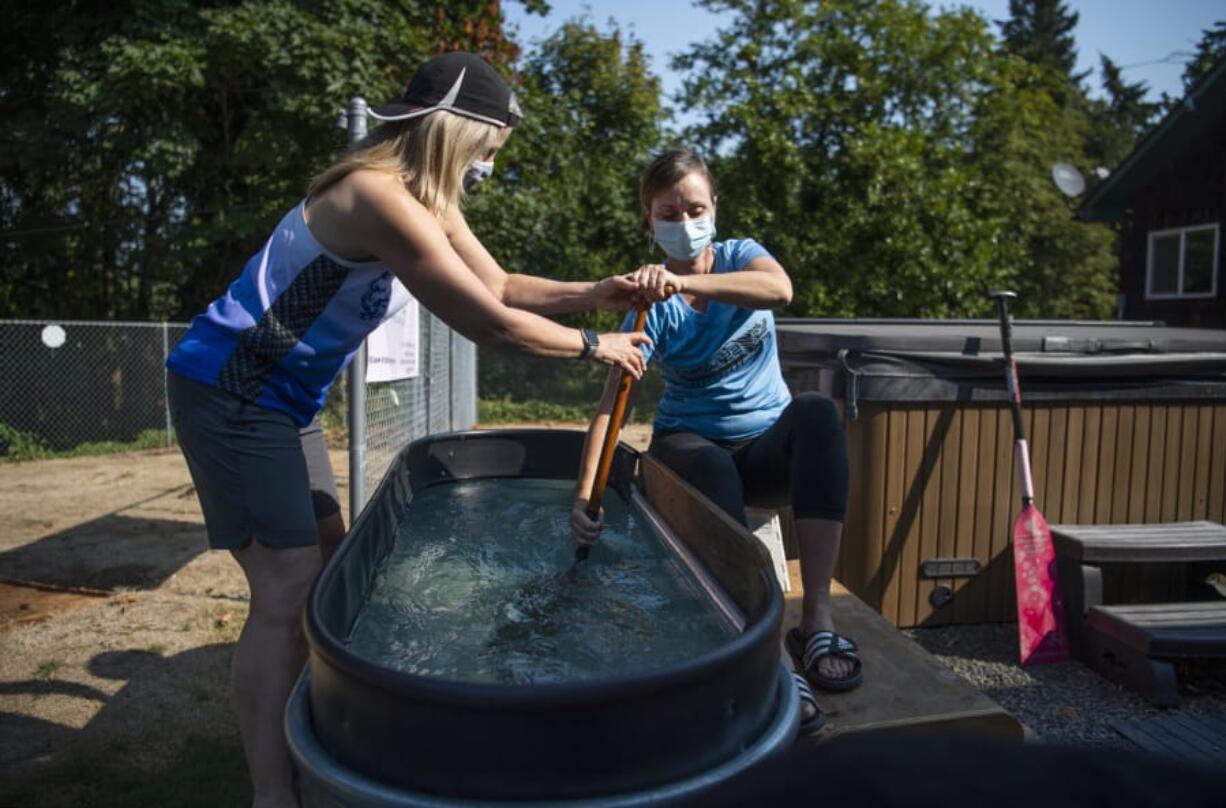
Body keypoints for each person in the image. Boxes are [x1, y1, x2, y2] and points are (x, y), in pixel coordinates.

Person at [166, 52, 650, 808]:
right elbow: (489, 323)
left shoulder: (425, 198)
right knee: (286, 588)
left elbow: (500, 283)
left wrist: (597, 293)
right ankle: (272, 791)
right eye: (491, 149)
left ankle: (314, 740)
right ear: (462, 130)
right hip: (230, 393)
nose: (491, 165)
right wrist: (598, 344)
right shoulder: (374, 196)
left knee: (329, 572)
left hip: (282, 401)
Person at [570, 148, 859, 735]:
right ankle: (772, 656)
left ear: (715, 209)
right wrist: (583, 497)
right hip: (693, 448)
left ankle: (818, 618)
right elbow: (610, 406)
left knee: (817, 415)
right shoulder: (647, 307)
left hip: (766, 447)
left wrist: (687, 279)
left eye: (695, 208)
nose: (684, 221)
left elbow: (779, 290)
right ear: (648, 222)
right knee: (707, 464)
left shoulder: (740, 256)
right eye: (668, 212)